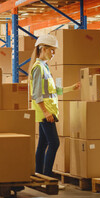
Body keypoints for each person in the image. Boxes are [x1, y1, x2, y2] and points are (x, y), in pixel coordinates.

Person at [29, 34, 80, 176]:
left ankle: (39, 173)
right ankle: (47, 175)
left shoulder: (45, 68)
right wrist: (46, 112)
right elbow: (37, 94)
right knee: (54, 143)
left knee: (43, 145)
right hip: (45, 113)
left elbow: (55, 91)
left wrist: (71, 88)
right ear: (43, 49)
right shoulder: (39, 68)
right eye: (52, 50)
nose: (54, 54)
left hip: (47, 112)